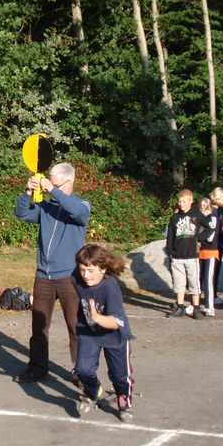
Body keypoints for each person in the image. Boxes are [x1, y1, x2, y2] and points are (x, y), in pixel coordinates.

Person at [14, 162, 92, 383]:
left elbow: (77, 213)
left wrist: (52, 189)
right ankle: (37, 368)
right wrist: (28, 191)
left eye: (55, 185)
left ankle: (82, 373)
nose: (49, 189)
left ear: (70, 182)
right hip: (44, 276)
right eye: (50, 184)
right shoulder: (46, 206)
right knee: (39, 327)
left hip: (69, 277)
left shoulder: (82, 204)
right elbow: (21, 213)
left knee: (76, 327)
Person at [71, 245, 136, 422]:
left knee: (119, 376)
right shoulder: (76, 277)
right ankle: (93, 391)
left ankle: (124, 401)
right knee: (83, 369)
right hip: (89, 332)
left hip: (114, 335)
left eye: (91, 271)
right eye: (82, 270)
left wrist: (97, 317)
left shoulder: (110, 287)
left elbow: (116, 323)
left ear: (103, 268)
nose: (85, 275)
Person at [164, 189, 213, 319]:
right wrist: (170, 251)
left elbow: (210, 226)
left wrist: (199, 238)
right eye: (180, 202)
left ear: (191, 201)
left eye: (184, 201)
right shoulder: (175, 218)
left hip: (192, 255)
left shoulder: (197, 215)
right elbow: (171, 235)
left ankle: (196, 308)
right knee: (178, 283)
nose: (181, 204)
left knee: (194, 283)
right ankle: (180, 307)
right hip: (177, 256)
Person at [197, 197, 221, 316]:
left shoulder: (213, 218)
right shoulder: (199, 219)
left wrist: (198, 238)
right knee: (198, 279)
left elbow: (210, 237)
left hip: (210, 251)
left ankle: (210, 306)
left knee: (208, 280)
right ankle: (195, 304)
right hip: (199, 252)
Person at [209, 187, 223, 307]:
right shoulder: (214, 212)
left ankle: (213, 294)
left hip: (218, 244)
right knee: (214, 271)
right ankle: (213, 295)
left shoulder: (215, 211)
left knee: (214, 271)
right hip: (216, 245)